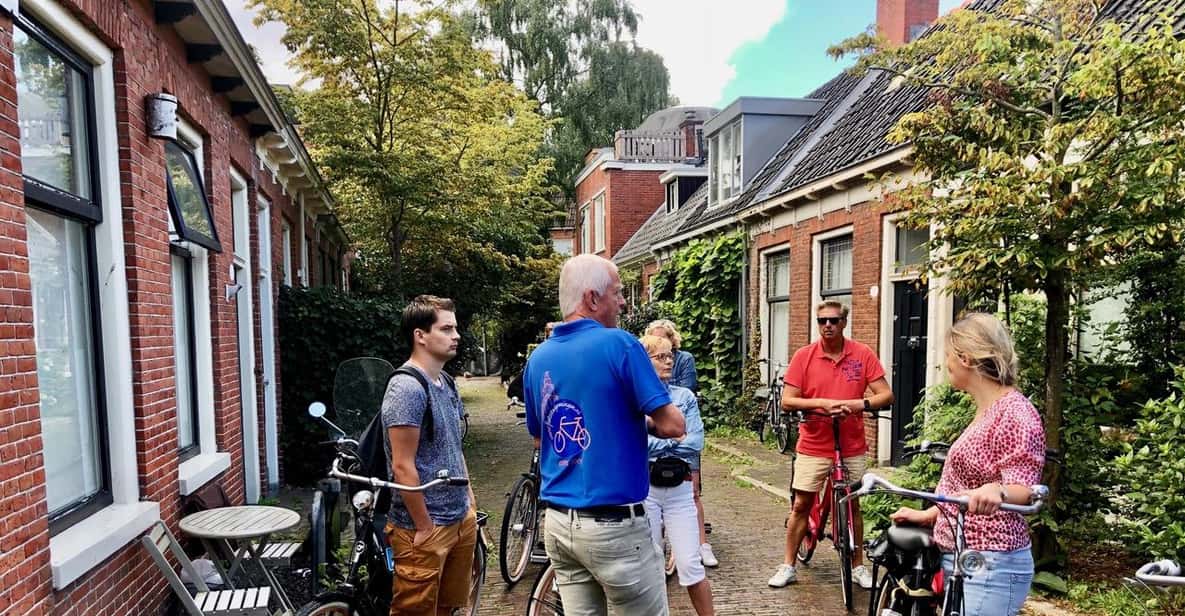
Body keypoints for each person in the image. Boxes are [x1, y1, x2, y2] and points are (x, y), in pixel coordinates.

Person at [523, 254, 686, 615]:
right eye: (618, 292)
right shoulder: (620, 344)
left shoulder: (538, 359)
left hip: (559, 525)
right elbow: (674, 425)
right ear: (593, 298)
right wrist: (647, 418)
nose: (624, 302)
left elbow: (540, 437)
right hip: (614, 528)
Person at [889, 313, 1045, 616]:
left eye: (948, 355)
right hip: (966, 557)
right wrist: (931, 514)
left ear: (966, 358)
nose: (945, 363)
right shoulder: (987, 409)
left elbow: (1024, 488)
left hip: (990, 563)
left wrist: (998, 490)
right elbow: (966, 486)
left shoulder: (1015, 413)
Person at [769, 300, 894, 590]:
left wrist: (858, 404)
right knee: (802, 504)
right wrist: (822, 404)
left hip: (851, 444)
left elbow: (885, 395)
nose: (827, 325)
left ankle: (858, 566)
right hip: (814, 442)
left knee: (853, 504)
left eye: (834, 320)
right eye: (822, 320)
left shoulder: (862, 354)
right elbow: (788, 400)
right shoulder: (804, 356)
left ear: (844, 323)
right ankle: (788, 565)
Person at [382, 295, 477, 615]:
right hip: (425, 527)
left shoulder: (446, 382)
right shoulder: (406, 388)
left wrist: (469, 502)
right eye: (446, 329)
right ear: (420, 335)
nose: (456, 336)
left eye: (455, 328)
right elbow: (402, 465)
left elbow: (453, 446)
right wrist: (424, 526)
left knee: (447, 608)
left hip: (459, 519)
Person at [640, 334, 715, 616]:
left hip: (681, 489)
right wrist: (674, 437)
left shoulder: (684, 397)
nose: (669, 361)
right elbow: (638, 444)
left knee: (690, 565)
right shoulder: (635, 400)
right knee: (650, 565)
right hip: (645, 489)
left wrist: (660, 438)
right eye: (661, 356)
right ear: (644, 362)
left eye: (670, 354)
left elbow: (696, 443)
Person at [645, 319, 698, 392]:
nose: (658, 342)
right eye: (654, 338)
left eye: (662, 338)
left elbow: (687, 389)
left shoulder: (684, 358)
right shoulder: (646, 358)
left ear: (672, 339)